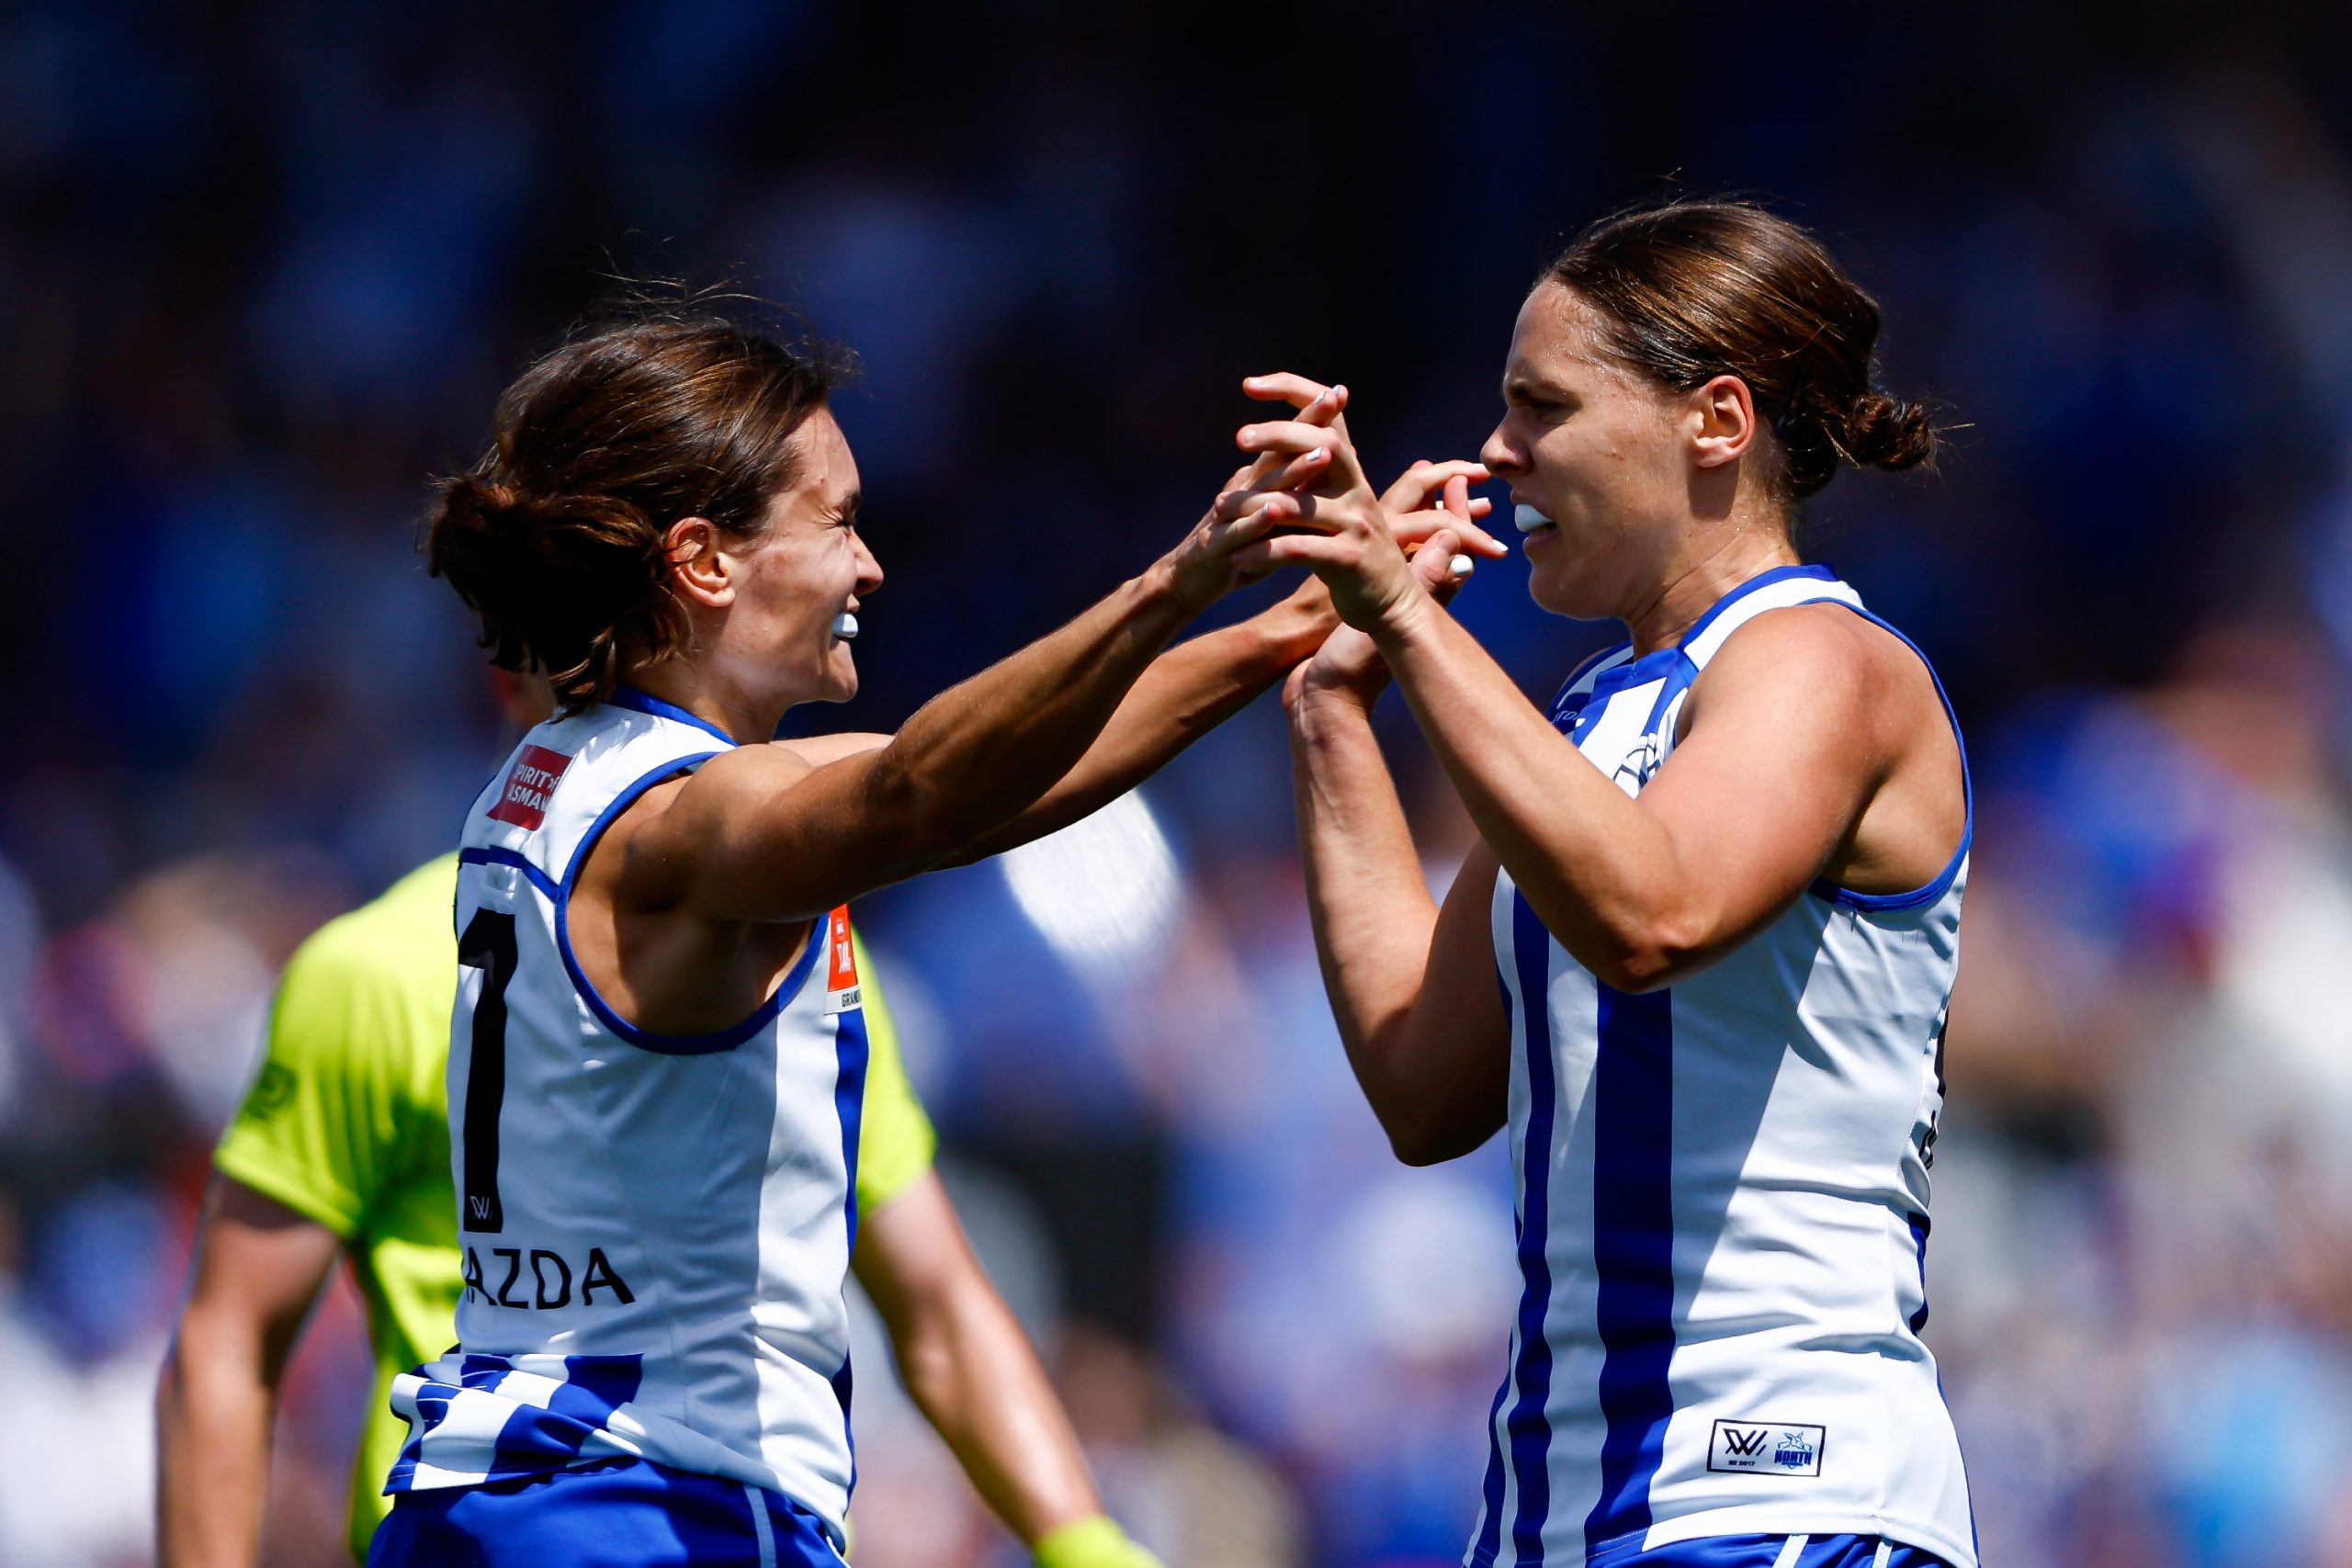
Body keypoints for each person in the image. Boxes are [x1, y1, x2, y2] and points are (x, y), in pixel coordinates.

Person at [361, 302, 1498, 1566]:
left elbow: (998, 781)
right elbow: (926, 789)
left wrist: (1310, 618)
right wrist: (1182, 578)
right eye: (838, 521)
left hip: (498, 1498)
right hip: (645, 1506)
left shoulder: (566, 776)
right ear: (706, 558)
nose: (870, 567)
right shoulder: (687, 816)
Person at [1222, 201, 1975, 1568]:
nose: (1498, 450)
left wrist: (1402, 610)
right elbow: (1420, 1073)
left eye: (1544, 406)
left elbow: (1654, 913)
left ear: (1716, 419)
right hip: (1559, 1510)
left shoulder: (1821, 661)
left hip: (1775, 1487)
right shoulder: (1591, 716)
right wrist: (1335, 707)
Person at [157, 700, 1160, 1568]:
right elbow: (231, 1338)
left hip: (564, 1521)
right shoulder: (370, 975)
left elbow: (938, 1302)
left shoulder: (806, 951)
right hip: (611, 1511)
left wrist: (1081, 1538)